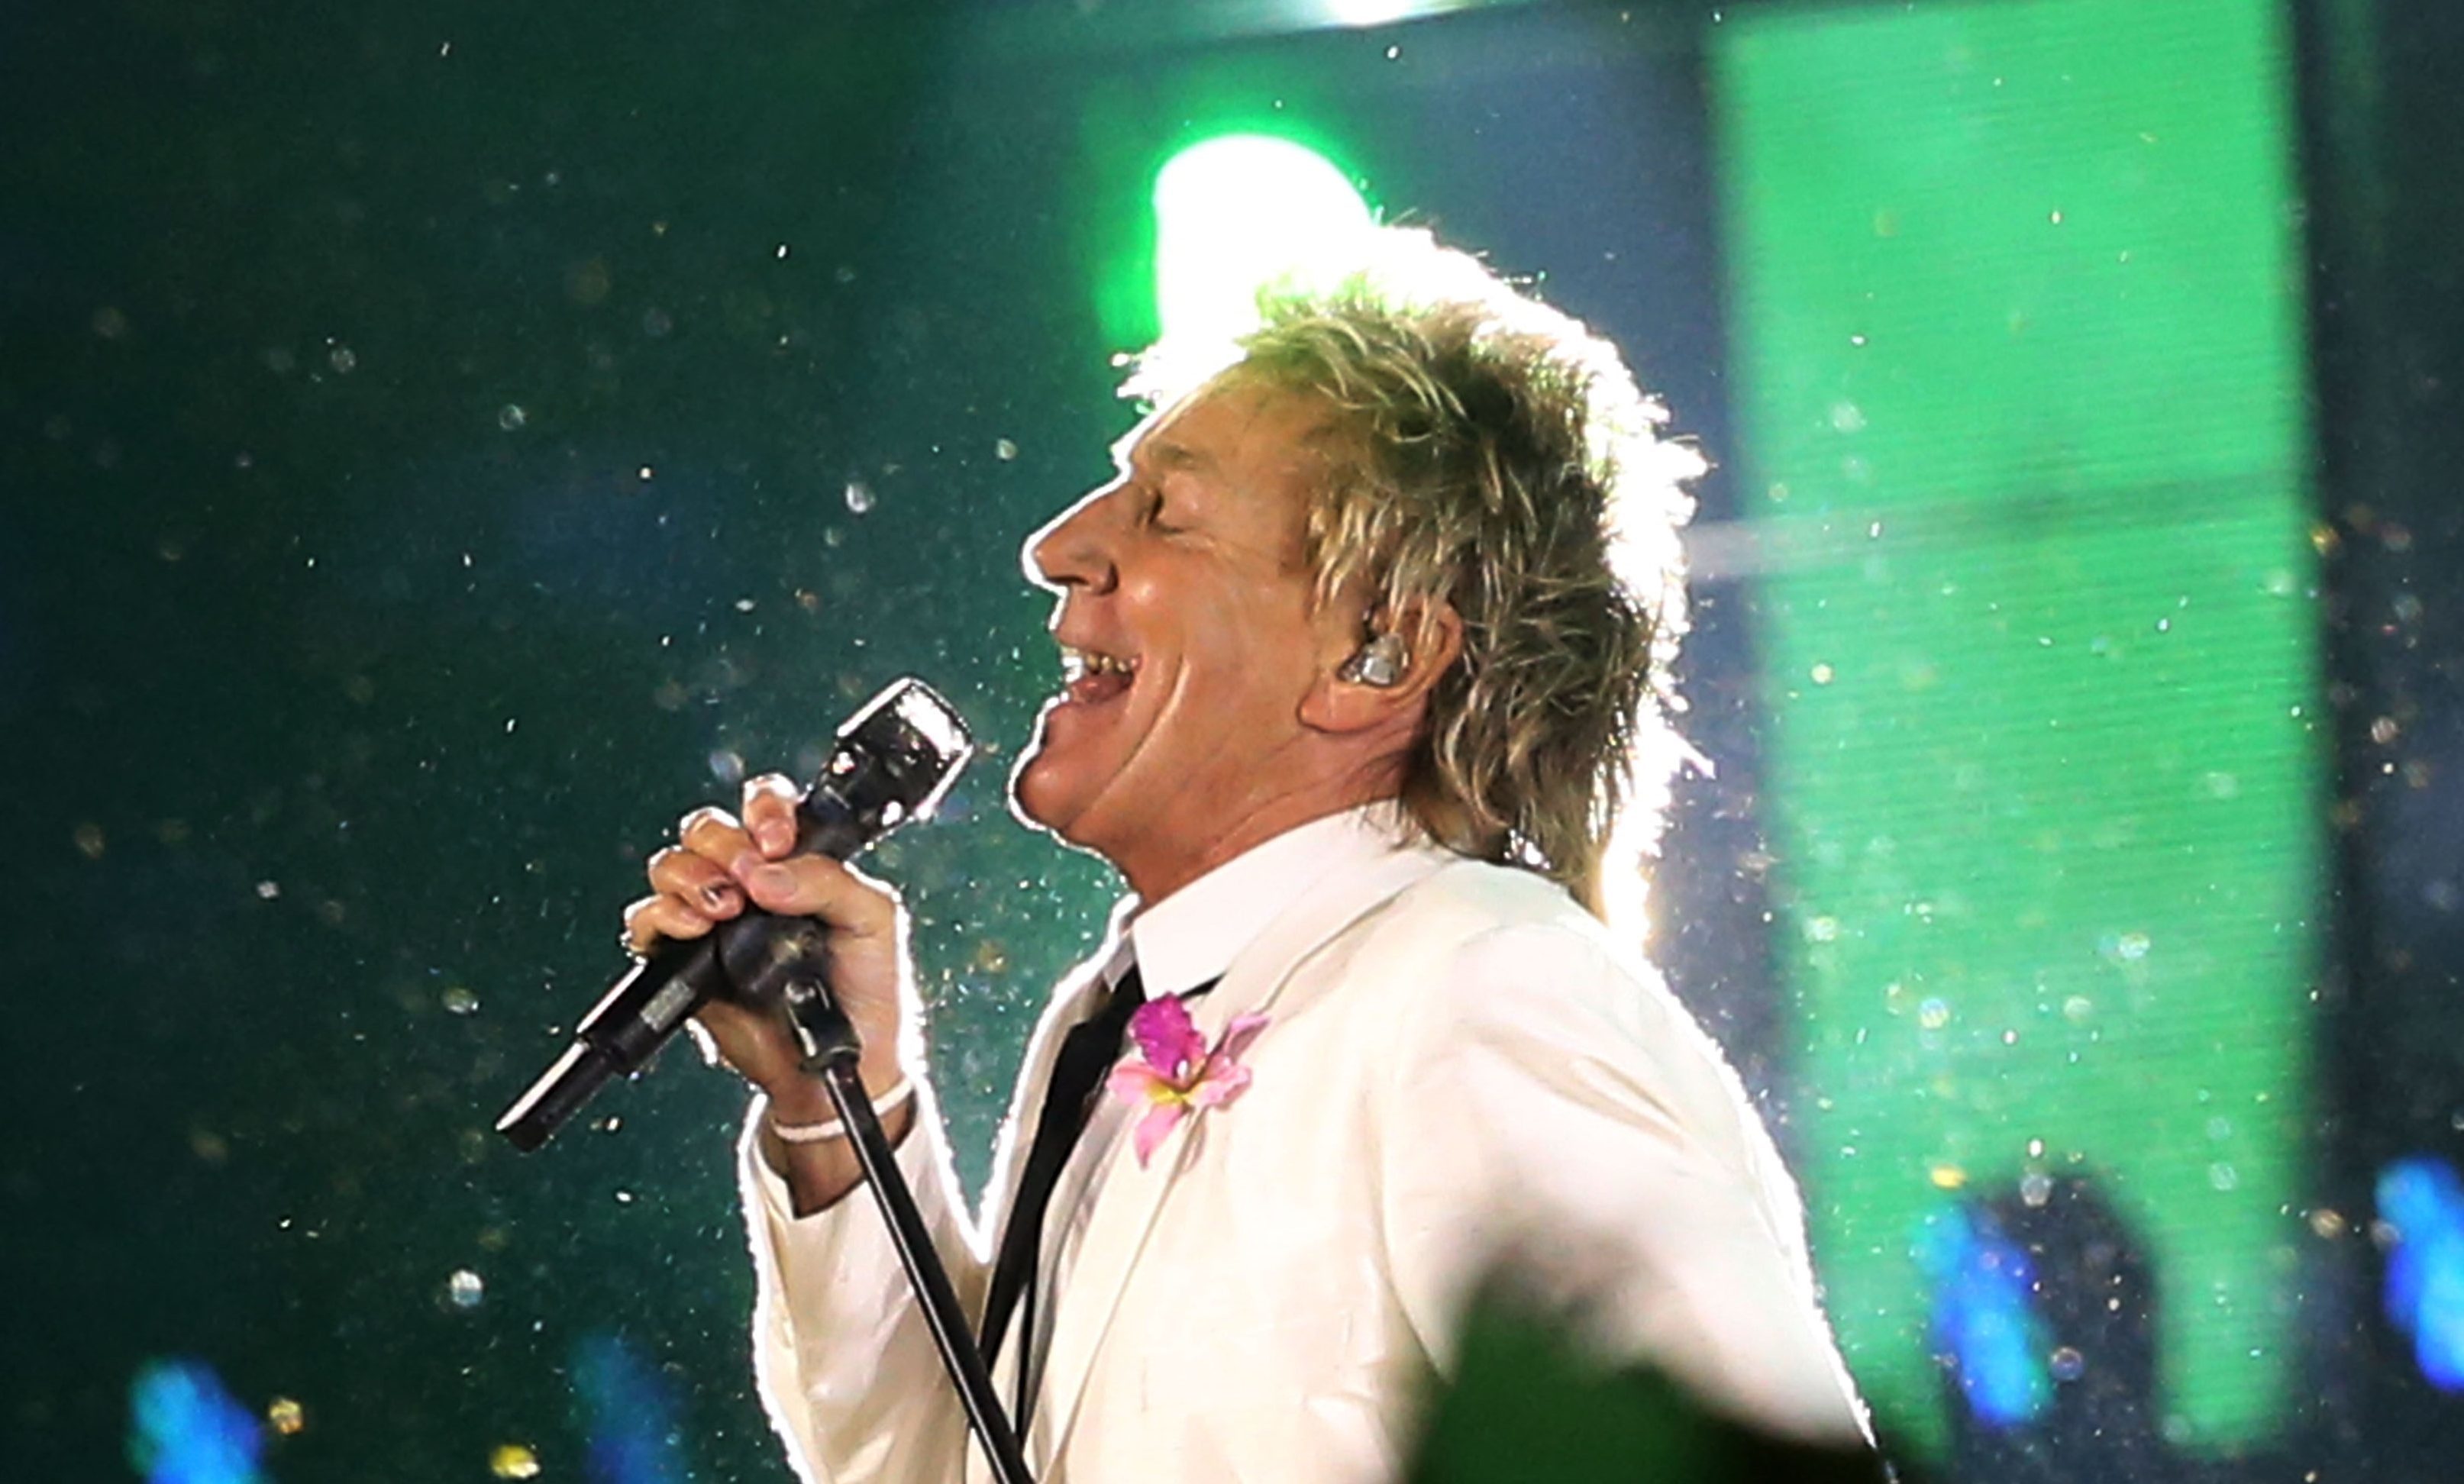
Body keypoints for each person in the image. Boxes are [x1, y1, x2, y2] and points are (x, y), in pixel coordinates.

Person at [624, 230, 1868, 1482]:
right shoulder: (1121, 1019)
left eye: (1167, 509)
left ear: (1376, 652)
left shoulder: (1482, 993)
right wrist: (840, 1105)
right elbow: (935, 1465)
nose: (1057, 546)